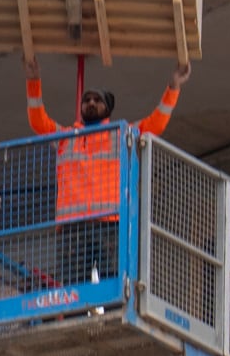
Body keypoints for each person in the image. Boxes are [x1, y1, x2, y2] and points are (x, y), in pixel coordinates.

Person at [24, 62, 186, 285]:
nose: (90, 102)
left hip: (110, 223)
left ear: (107, 109)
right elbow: (38, 121)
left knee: (115, 285)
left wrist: (173, 87)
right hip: (74, 226)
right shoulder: (66, 136)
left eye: (97, 100)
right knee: (73, 289)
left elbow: (155, 123)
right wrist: (33, 81)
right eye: (87, 99)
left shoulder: (121, 134)